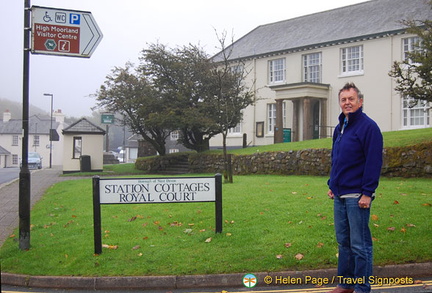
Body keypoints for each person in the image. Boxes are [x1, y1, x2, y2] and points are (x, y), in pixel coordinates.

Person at [327, 82, 383, 293]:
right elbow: (337, 158)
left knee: (360, 246)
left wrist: (367, 193)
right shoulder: (340, 127)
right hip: (340, 194)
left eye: (351, 99)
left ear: (360, 101)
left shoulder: (369, 127)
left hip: (357, 195)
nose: (347, 103)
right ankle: (345, 285)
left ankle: (362, 288)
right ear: (340, 102)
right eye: (343, 99)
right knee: (344, 243)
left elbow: (373, 162)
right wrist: (332, 184)